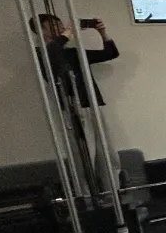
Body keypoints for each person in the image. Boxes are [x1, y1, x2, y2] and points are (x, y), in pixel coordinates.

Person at [29, 13, 121, 189]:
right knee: (84, 157)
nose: (60, 28)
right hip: (74, 109)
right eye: (53, 26)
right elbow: (51, 53)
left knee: (108, 153)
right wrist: (67, 33)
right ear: (42, 32)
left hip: (93, 105)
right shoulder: (42, 54)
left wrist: (103, 33)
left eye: (60, 24)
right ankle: (85, 196)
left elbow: (111, 53)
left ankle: (113, 192)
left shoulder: (72, 52)